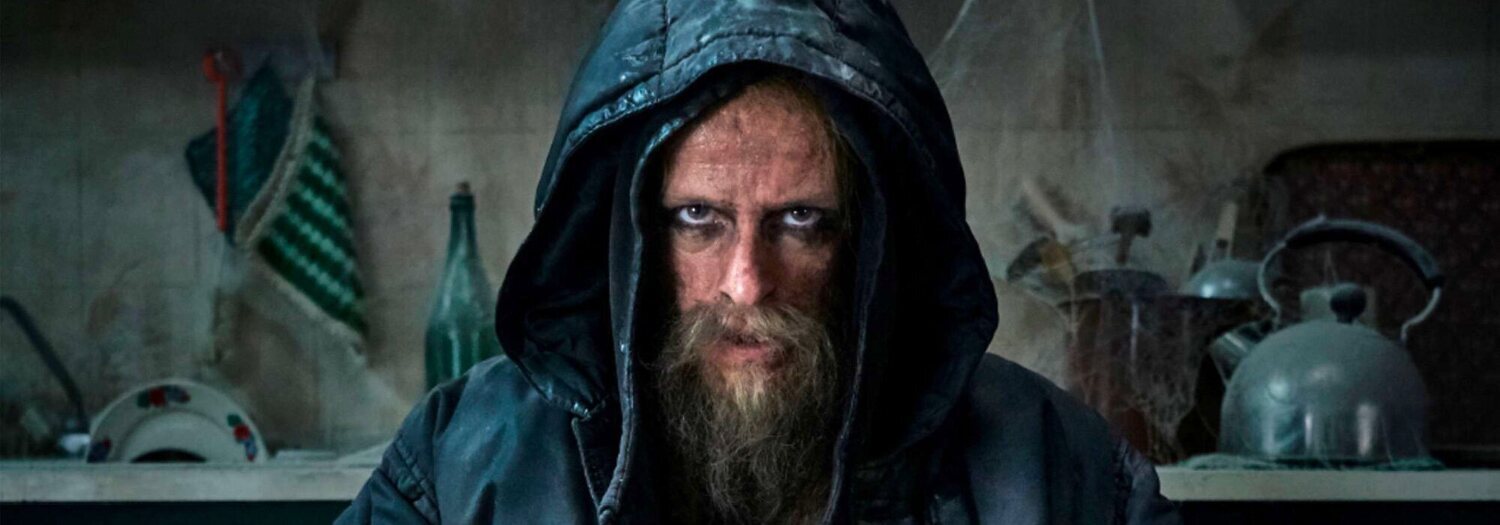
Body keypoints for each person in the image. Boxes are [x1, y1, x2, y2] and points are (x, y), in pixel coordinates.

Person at [338, 0, 1180, 523]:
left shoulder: (1058, 476)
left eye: (801, 219)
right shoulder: (462, 470)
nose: (747, 281)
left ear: (870, 238)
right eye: (698, 218)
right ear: (633, 236)